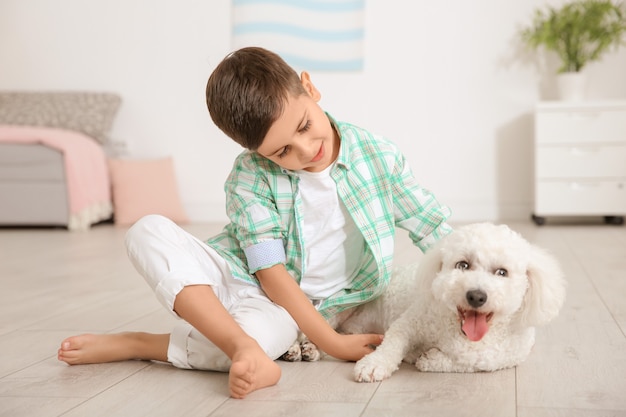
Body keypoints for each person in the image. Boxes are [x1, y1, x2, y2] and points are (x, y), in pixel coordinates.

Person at [57, 47, 452, 399]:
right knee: (145, 230)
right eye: (282, 151)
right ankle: (236, 344)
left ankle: (147, 344)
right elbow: (269, 271)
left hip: (294, 310)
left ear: (309, 88)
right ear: (255, 151)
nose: (306, 150)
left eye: (303, 126)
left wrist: (481, 276)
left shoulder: (377, 155)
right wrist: (330, 342)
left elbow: (431, 226)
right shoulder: (249, 176)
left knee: (256, 345)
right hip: (246, 277)